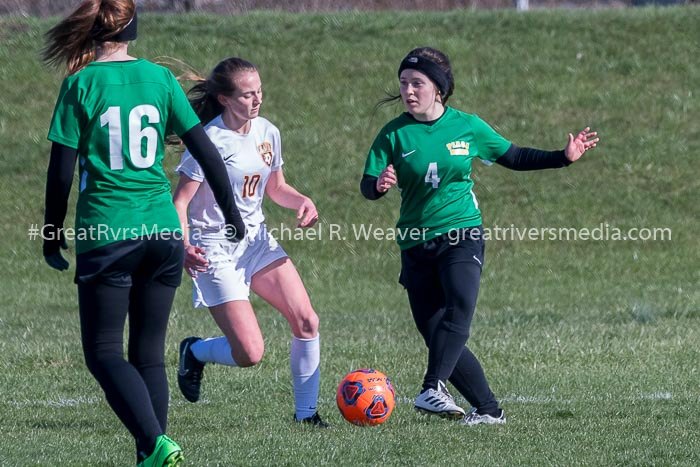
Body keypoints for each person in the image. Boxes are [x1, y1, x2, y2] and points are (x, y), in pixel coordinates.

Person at [41, 1, 245, 465]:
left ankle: (154, 444)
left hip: (109, 231)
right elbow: (208, 154)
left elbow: (61, 172)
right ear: (132, 29)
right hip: (163, 232)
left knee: (103, 352)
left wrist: (52, 232)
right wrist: (232, 213)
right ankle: (152, 456)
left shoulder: (81, 83)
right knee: (148, 354)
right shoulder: (159, 79)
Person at [360, 47, 599, 426]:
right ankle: (488, 410)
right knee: (438, 333)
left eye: (418, 83)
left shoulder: (467, 126)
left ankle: (431, 387)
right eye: (403, 83)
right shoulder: (392, 134)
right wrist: (379, 185)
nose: (409, 91)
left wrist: (563, 157)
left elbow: (514, 156)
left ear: (438, 88)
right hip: (415, 242)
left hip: (461, 233)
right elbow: (368, 184)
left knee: (459, 306)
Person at [173, 57, 327, 427]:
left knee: (307, 320)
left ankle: (307, 416)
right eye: (246, 95)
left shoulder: (267, 131)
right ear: (224, 99)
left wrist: (302, 201)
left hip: (256, 242)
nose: (256, 100)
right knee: (250, 353)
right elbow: (179, 202)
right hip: (214, 249)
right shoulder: (208, 140)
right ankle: (195, 350)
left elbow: (276, 187)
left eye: (259, 91)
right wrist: (183, 246)